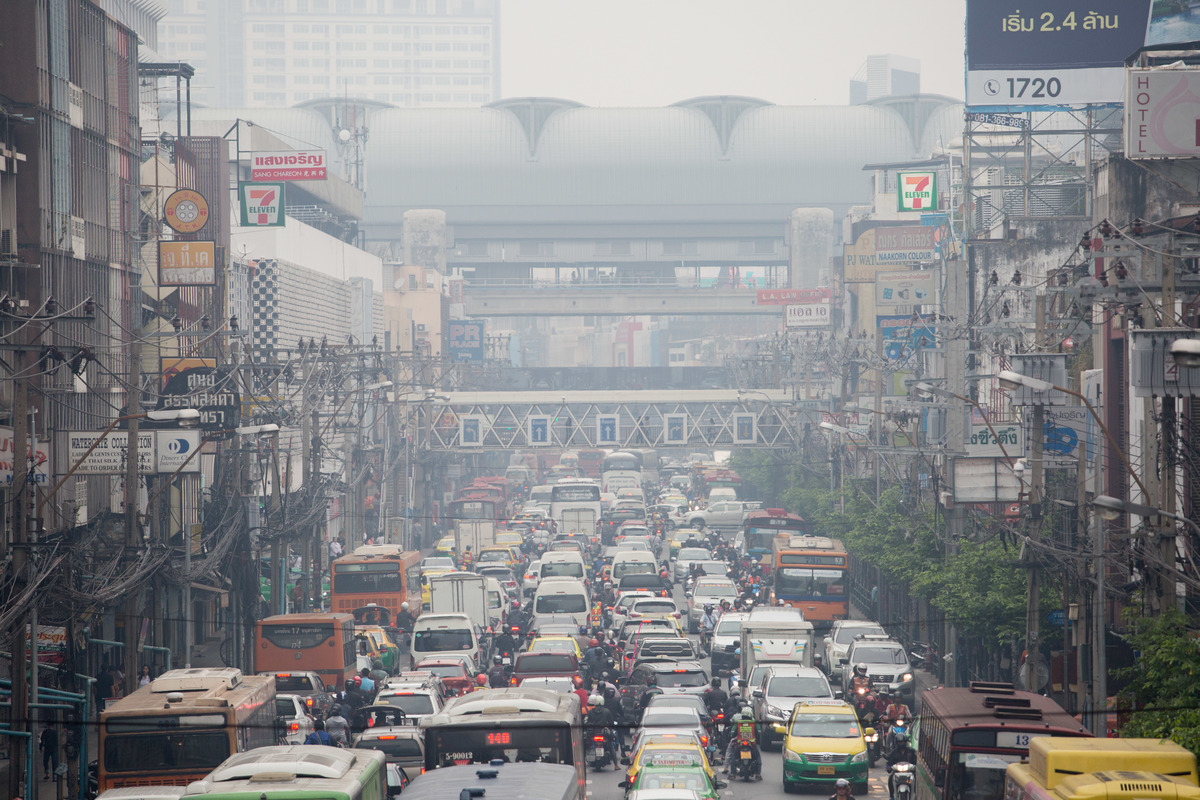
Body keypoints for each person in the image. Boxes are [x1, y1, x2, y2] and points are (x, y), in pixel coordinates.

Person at [724, 703, 761, 779]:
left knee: (734, 757)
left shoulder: (739, 723)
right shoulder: (753, 723)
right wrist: (759, 741)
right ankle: (758, 774)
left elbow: (733, 734)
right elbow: (758, 734)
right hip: (751, 744)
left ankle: (733, 774)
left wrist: (731, 737)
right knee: (757, 757)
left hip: (740, 743)